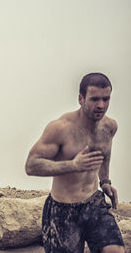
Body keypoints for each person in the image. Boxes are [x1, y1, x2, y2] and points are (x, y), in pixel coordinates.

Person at [25, 73, 125, 253]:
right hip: (63, 210)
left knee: (115, 250)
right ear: (81, 98)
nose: (101, 105)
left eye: (106, 99)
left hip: (93, 203)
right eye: (94, 99)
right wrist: (73, 165)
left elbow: (105, 153)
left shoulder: (109, 127)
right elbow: (31, 165)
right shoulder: (61, 128)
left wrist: (105, 181)